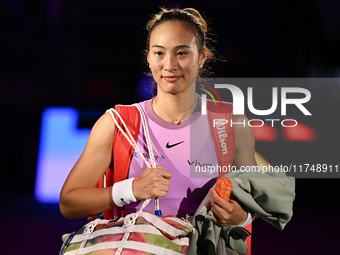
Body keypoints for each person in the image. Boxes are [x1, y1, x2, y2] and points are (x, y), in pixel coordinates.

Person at [60, 6, 256, 238]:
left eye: (182, 53)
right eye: (159, 53)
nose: (169, 64)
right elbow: (69, 203)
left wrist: (241, 217)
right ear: (148, 56)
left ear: (202, 56)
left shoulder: (232, 124)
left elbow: (252, 202)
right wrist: (130, 189)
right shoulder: (116, 123)